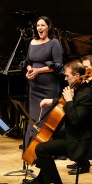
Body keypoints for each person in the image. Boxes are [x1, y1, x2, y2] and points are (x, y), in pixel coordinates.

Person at [22, 60, 92, 184]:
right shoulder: (78, 89)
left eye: (67, 75)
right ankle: (42, 179)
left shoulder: (87, 95)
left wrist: (69, 101)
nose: (65, 78)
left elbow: (75, 119)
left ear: (77, 76)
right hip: (72, 135)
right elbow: (63, 101)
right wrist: (51, 100)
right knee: (48, 138)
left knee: (41, 149)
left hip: (80, 141)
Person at [20, 16, 63, 148]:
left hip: (49, 86)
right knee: (33, 117)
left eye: (43, 25)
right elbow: (27, 61)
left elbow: (58, 65)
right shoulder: (32, 42)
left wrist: (38, 71)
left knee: (46, 118)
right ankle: (31, 148)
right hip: (34, 86)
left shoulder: (54, 42)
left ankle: (48, 149)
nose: (40, 28)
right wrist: (29, 69)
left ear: (48, 27)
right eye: (38, 25)